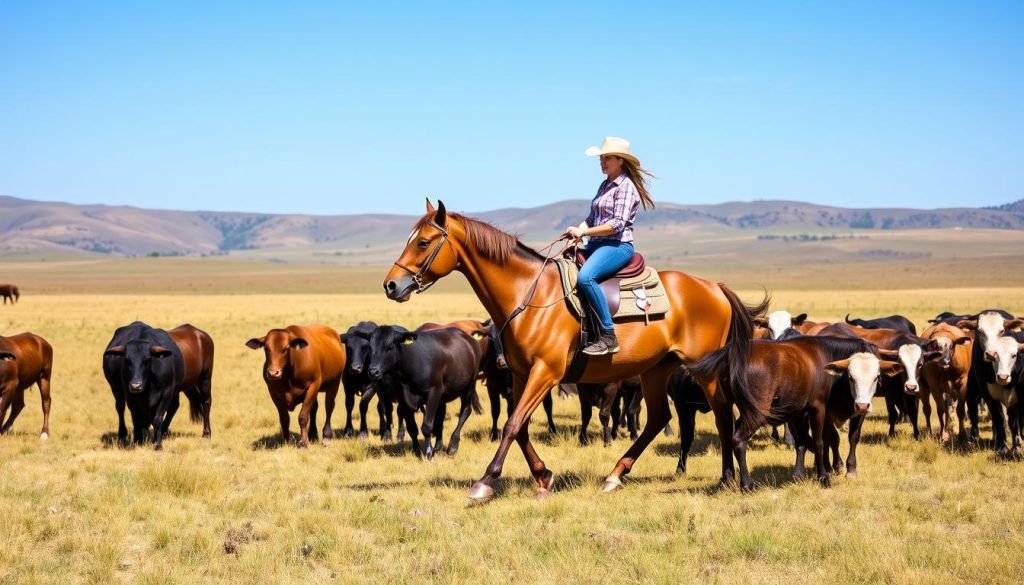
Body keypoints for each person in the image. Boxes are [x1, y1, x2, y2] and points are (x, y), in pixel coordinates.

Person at [562, 137, 655, 356]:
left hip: (617, 245)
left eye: (607, 158)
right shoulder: (604, 185)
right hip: (597, 244)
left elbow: (616, 225)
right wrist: (578, 230)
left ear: (620, 160)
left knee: (586, 277)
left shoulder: (626, 187)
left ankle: (608, 335)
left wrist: (584, 232)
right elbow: (592, 218)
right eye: (601, 158)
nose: (602, 162)